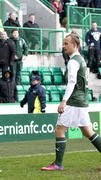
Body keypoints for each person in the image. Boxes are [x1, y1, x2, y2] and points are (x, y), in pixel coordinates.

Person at [41, 33, 101, 171]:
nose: (64, 46)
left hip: (74, 101)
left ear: (75, 45)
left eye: (66, 43)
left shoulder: (73, 61)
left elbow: (72, 81)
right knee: (88, 131)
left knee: (59, 130)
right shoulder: (81, 60)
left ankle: (58, 164)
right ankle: (58, 163)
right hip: (82, 100)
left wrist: (63, 101)